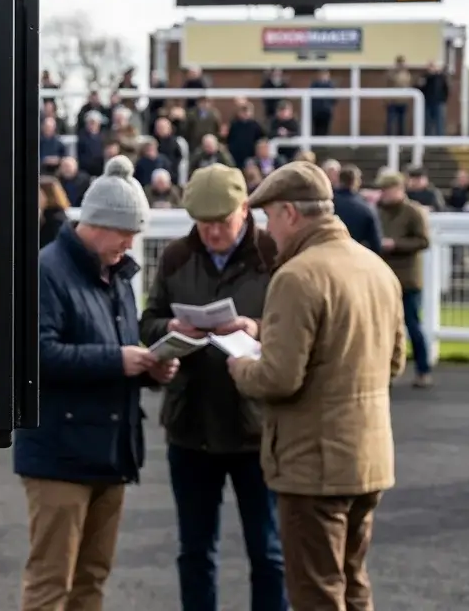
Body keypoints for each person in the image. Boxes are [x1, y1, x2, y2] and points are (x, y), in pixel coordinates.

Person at [228, 161, 405, 610]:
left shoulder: (297, 275)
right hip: (369, 457)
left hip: (314, 464)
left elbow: (278, 378)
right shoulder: (377, 268)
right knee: (353, 582)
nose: (269, 231)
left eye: (269, 218)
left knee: (316, 592)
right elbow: (395, 361)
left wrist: (238, 365)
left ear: (290, 213)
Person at [16, 155, 178, 611]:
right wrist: (118, 361)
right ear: (96, 223)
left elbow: (119, 346)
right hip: (60, 452)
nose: (131, 243)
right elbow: (37, 356)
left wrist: (149, 369)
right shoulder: (47, 270)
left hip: (108, 449)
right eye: (126, 232)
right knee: (51, 583)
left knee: (92, 581)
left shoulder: (118, 274)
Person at [139, 164, 287, 611]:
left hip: (256, 425)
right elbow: (149, 320)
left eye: (222, 223)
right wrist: (171, 326)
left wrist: (254, 328)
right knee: (195, 551)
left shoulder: (275, 254)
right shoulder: (176, 256)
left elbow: (298, 328)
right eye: (203, 225)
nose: (213, 233)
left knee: (268, 552)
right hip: (192, 423)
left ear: (245, 209)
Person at [375, 171, 433, 388]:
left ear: (399, 190)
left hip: (407, 279)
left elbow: (424, 241)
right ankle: (386, 372)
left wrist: (395, 244)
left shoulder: (413, 212)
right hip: (383, 278)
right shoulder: (378, 212)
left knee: (412, 325)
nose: (384, 194)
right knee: (382, 328)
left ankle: (423, 369)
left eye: (387, 190)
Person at [332, 166, 382, 254]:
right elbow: (376, 244)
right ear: (356, 182)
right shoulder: (366, 208)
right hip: (356, 255)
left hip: (330, 253)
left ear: (339, 180)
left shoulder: (329, 204)